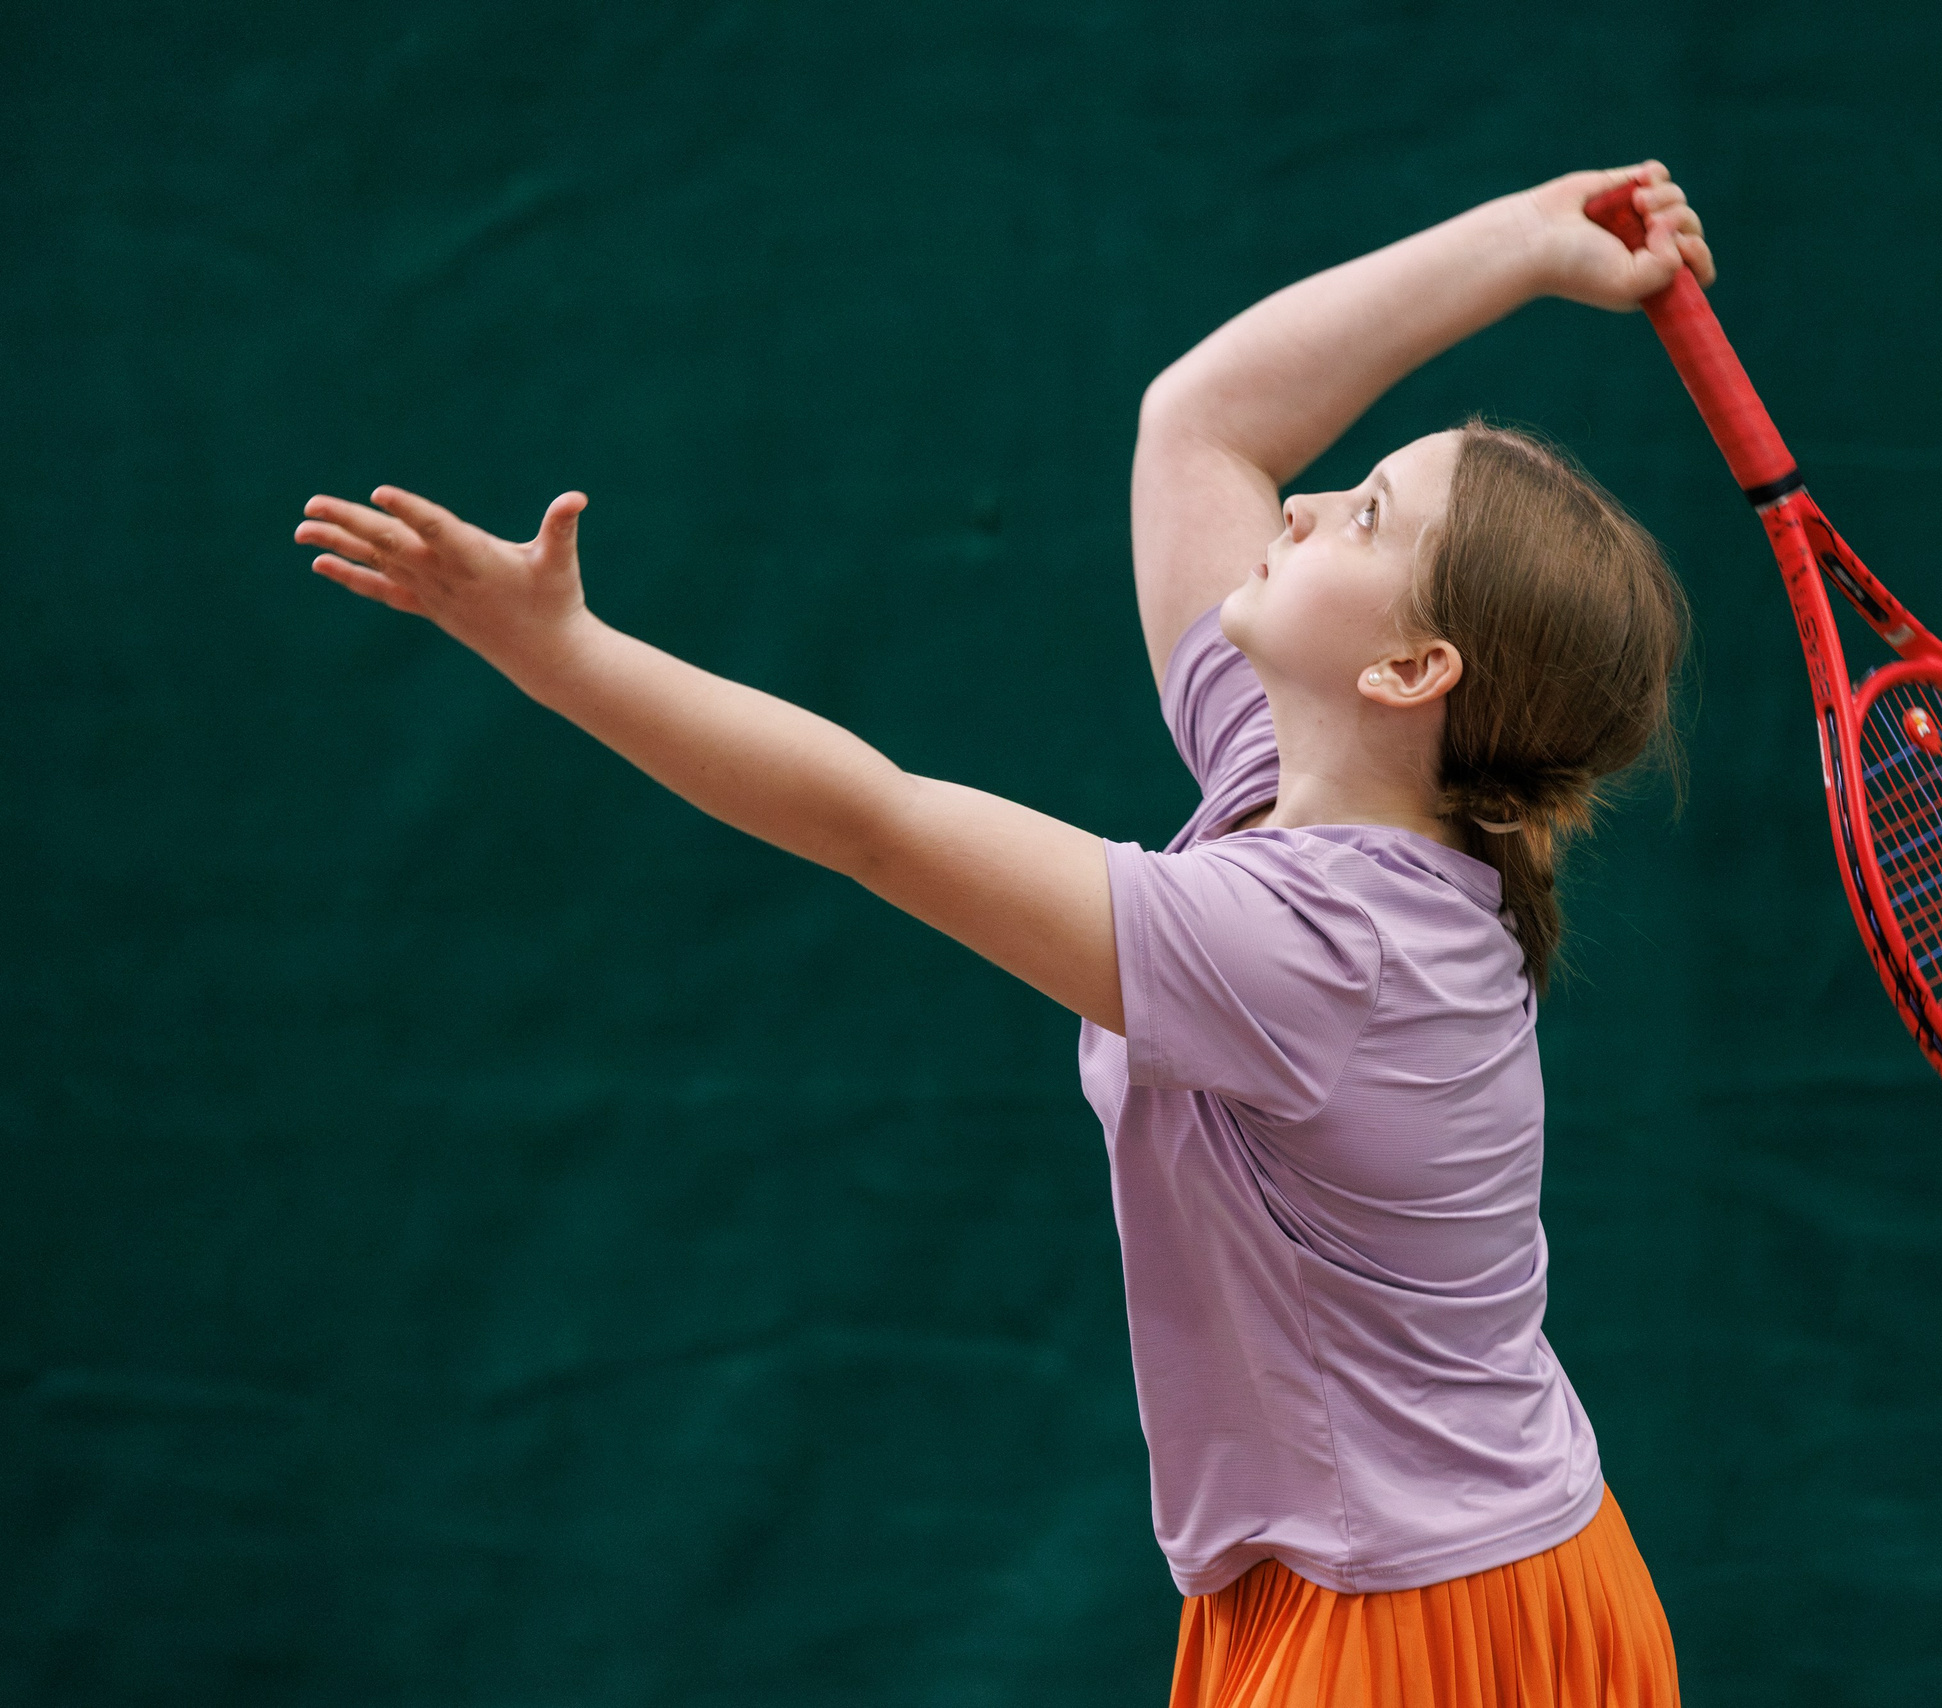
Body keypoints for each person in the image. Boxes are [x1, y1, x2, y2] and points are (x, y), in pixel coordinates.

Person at [296, 158, 1711, 1706]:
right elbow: (1204, 425)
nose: (1307, 502)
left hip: (1423, 1627)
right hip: (1412, 1572)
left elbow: (872, 819)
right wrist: (1523, 241)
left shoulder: (1314, 949)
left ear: (1410, 673)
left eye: (1365, 516)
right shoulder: (1324, 795)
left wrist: (556, 648)